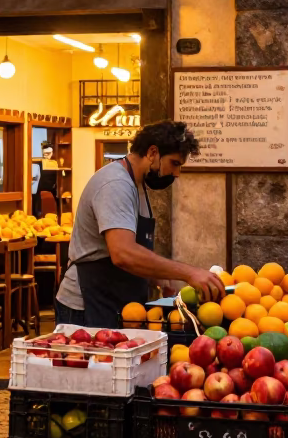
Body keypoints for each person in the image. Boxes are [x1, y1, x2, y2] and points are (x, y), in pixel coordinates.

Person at [55, 120, 224, 326]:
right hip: (86, 307)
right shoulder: (116, 185)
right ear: (153, 153)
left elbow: (133, 248)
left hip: (116, 303)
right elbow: (123, 253)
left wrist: (157, 277)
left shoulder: (137, 185)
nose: (177, 173)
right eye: (175, 163)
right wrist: (190, 273)